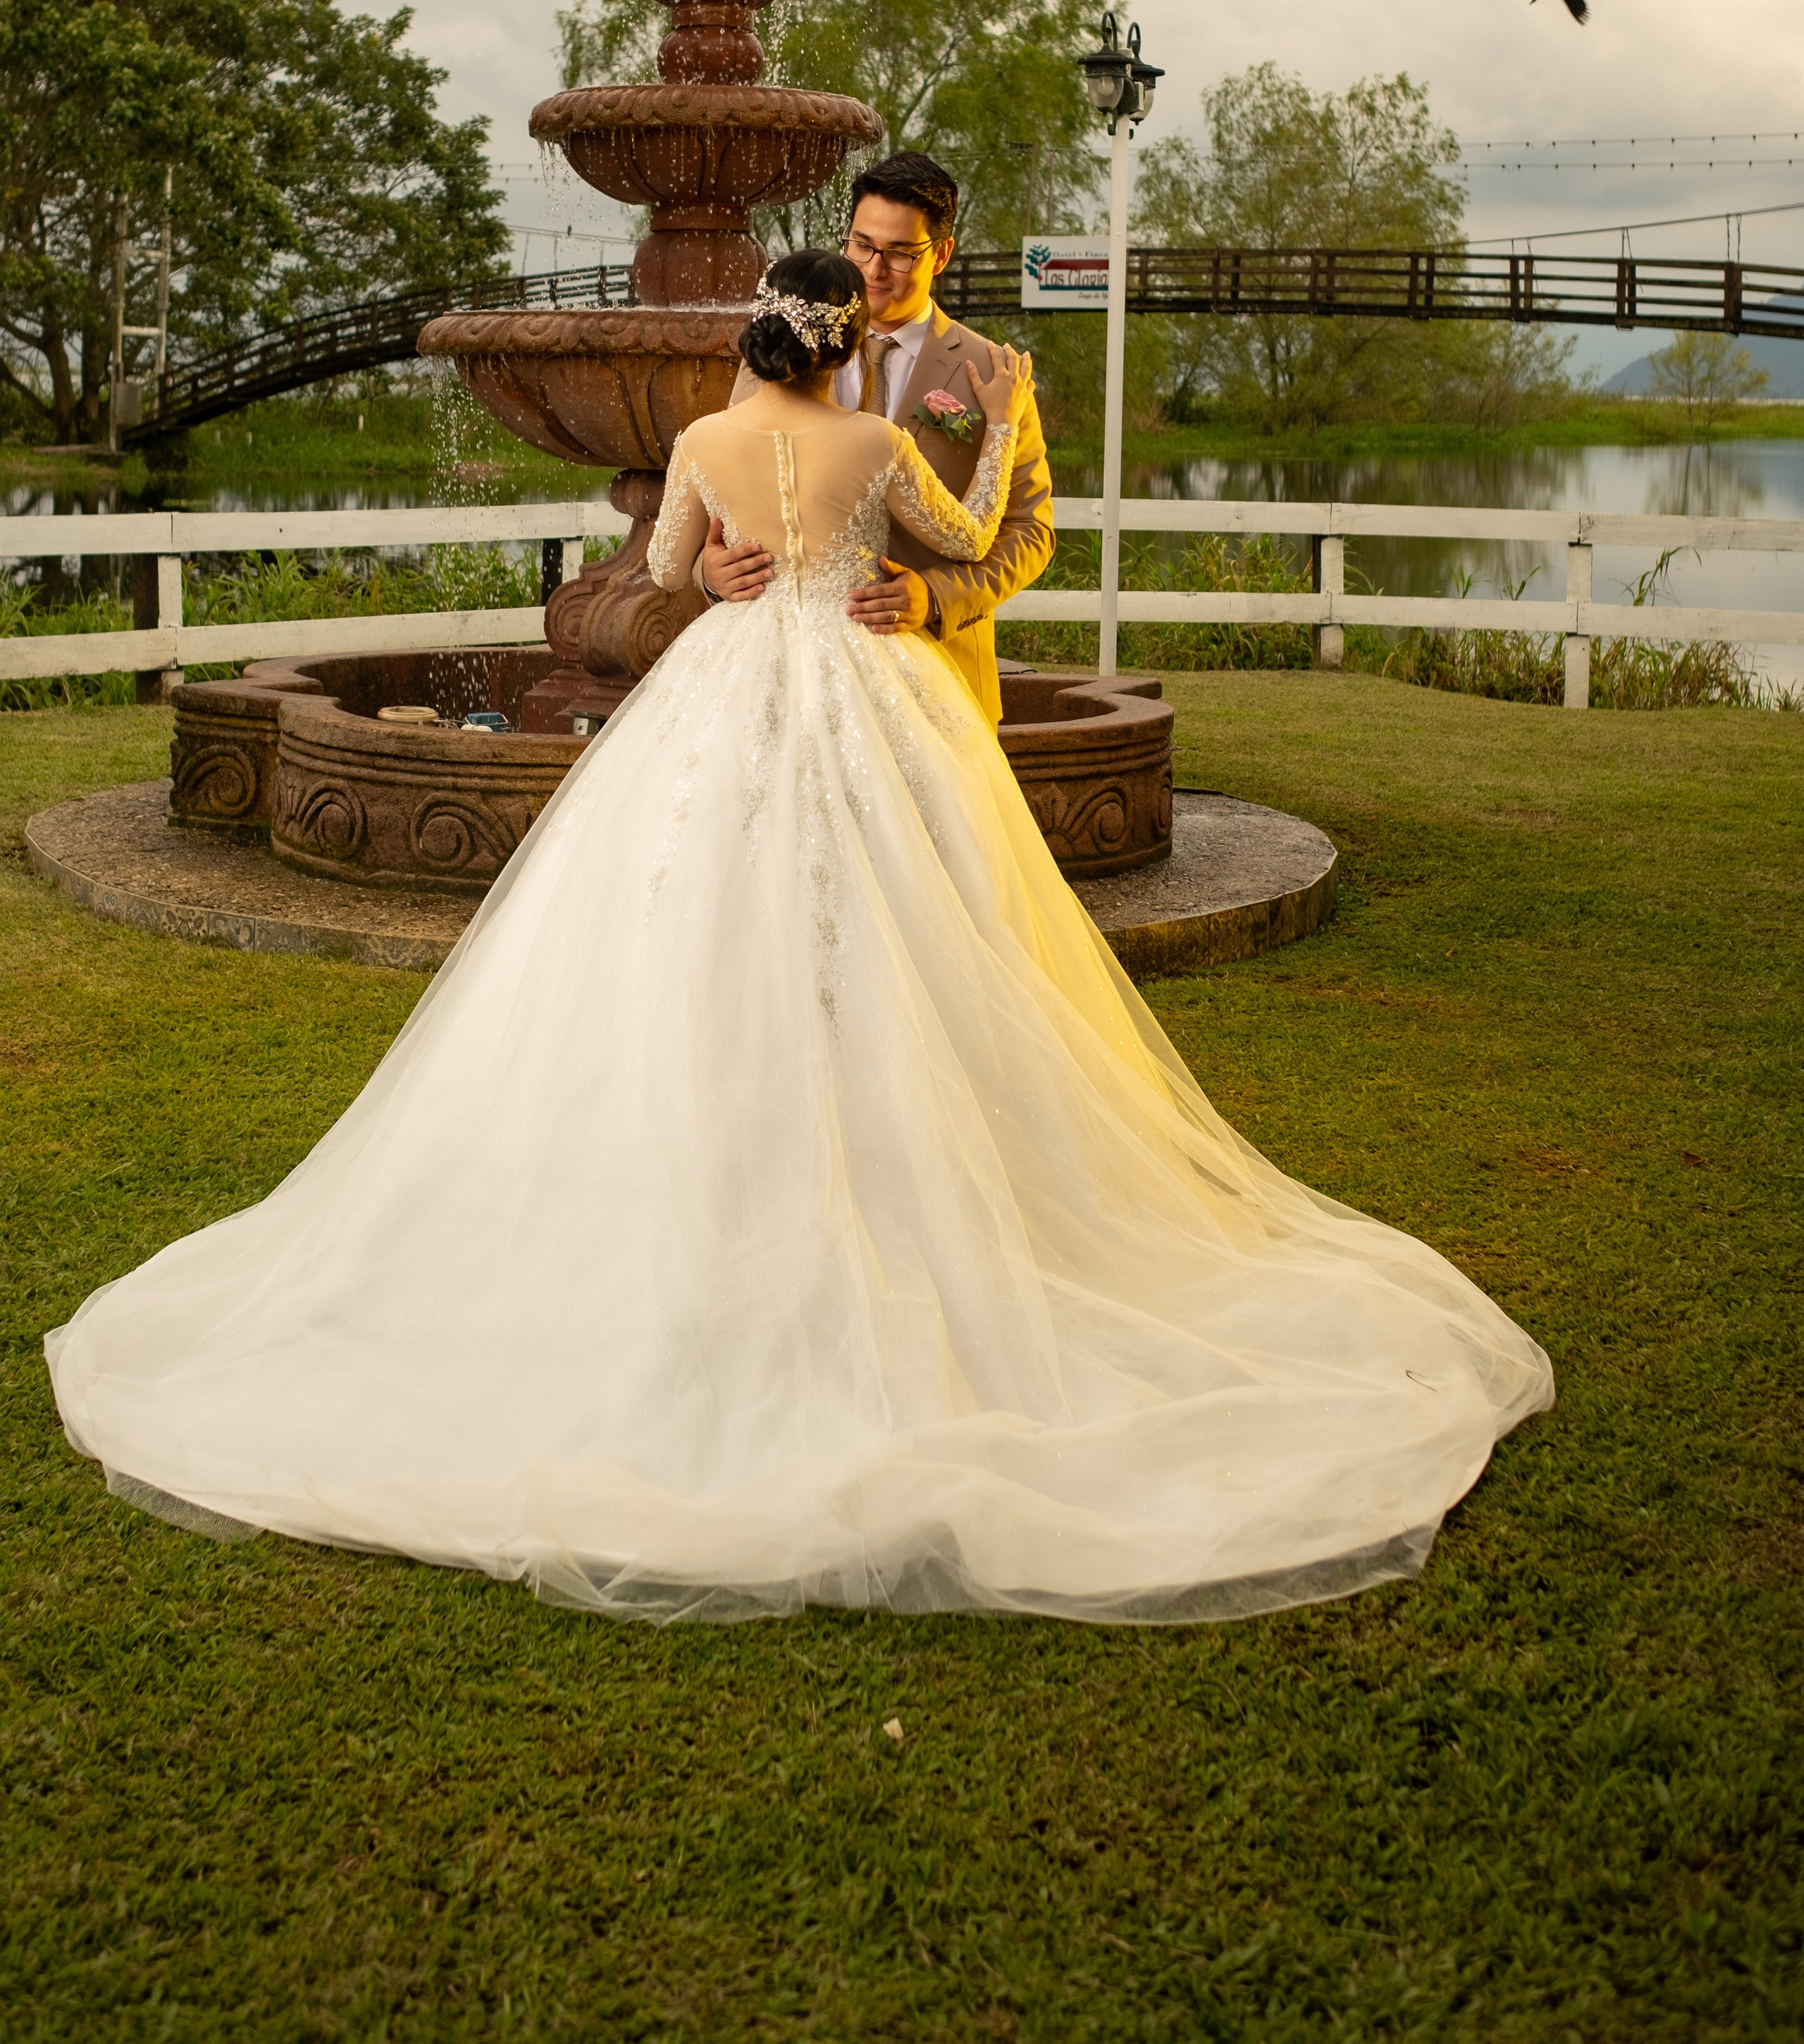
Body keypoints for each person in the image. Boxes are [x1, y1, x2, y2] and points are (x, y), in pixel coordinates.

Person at [45, 251, 1552, 1625]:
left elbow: (657, 579)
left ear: (755, 331)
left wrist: (714, 577)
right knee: (902, 924)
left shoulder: (699, 445)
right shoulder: (876, 442)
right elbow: (962, 537)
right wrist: (920, 560)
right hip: (858, 679)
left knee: (679, 923)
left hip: (722, 695)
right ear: (841, 344)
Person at [700, 150, 1054, 726]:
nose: (873, 268)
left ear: (941, 254)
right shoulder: (772, 357)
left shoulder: (995, 374)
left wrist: (936, 598)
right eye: (861, 245)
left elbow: (1032, 532)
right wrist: (709, 573)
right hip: (790, 689)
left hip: (940, 689)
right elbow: (725, 494)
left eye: (898, 252)